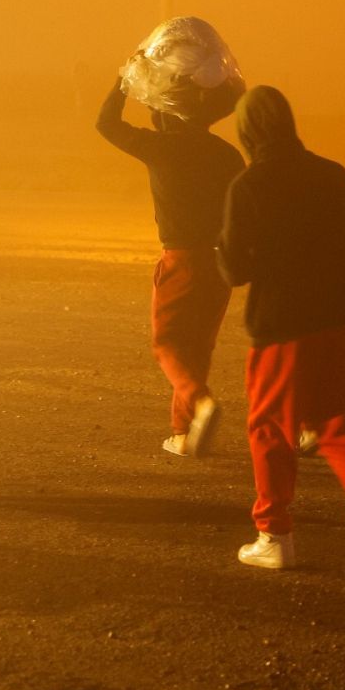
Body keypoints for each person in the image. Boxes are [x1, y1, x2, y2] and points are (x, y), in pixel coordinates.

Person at [217, 85, 345, 583]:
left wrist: (222, 244)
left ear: (247, 130)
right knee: (339, 425)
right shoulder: (332, 175)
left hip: (283, 330)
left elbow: (233, 270)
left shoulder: (248, 185)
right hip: (342, 323)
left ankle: (274, 537)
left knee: (269, 430)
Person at [96, 76, 245, 458]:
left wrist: (123, 83)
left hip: (182, 260)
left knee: (168, 345)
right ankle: (183, 432)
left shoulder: (161, 147)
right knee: (198, 348)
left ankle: (201, 401)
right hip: (221, 262)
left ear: (167, 113)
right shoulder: (227, 154)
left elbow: (106, 124)